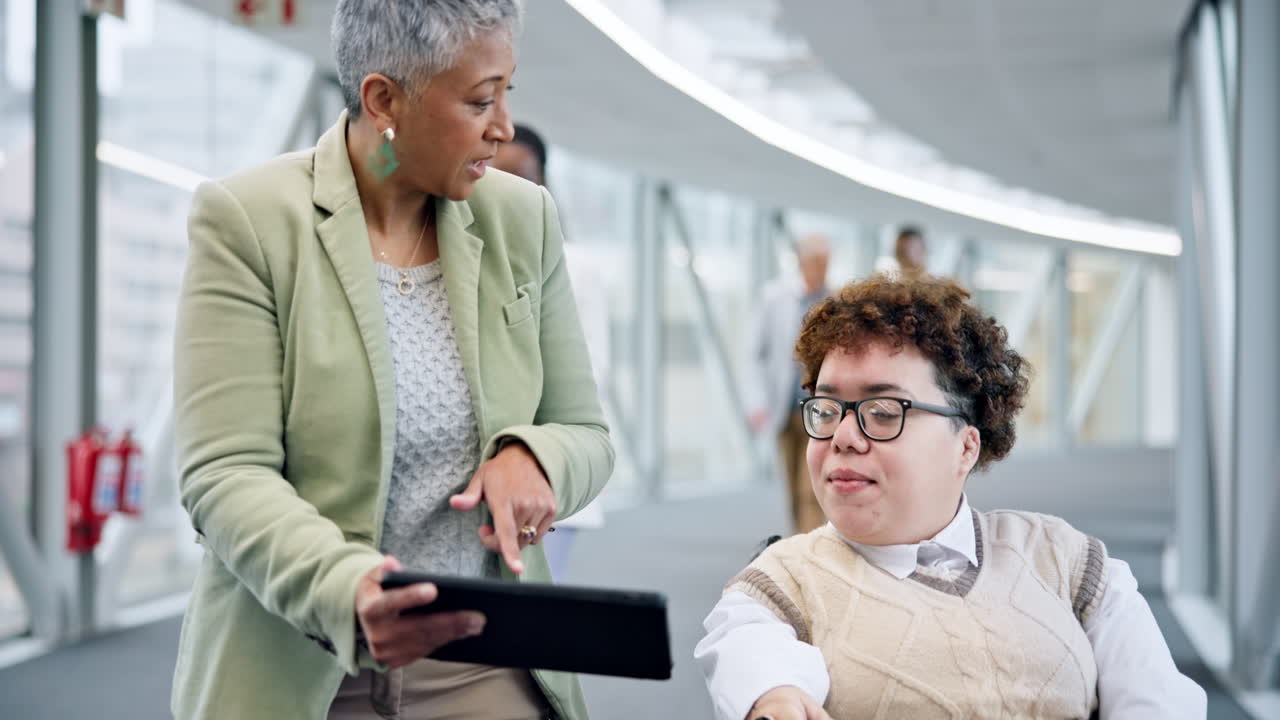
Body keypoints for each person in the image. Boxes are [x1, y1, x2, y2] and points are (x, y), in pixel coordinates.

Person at [171, 2, 614, 719]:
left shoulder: (522, 219)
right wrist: (346, 588)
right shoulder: (248, 222)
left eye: (507, 94)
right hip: (303, 661)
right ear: (383, 100)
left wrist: (534, 456)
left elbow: (586, 434)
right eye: (479, 100)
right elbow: (224, 473)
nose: (503, 127)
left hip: (484, 661)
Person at [696, 275, 1206, 720]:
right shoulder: (782, 584)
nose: (843, 436)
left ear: (965, 446)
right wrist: (774, 697)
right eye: (827, 407)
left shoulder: (1070, 564)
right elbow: (750, 654)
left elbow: (1158, 701)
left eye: (882, 410)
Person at [492, 123, 610, 579]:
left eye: (525, 176)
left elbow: (594, 368)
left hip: (548, 463)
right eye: (499, 174)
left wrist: (540, 450)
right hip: (486, 474)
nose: (512, 190)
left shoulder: (576, 267)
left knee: (536, 602)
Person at [745, 234, 831, 535]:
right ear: (801, 262)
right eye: (817, 262)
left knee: (812, 488)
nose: (822, 269)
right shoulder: (775, 297)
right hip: (783, 407)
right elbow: (755, 353)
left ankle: (810, 545)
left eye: (826, 262)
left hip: (820, 410)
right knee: (794, 488)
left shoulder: (833, 301)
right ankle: (801, 543)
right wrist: (756, 403)